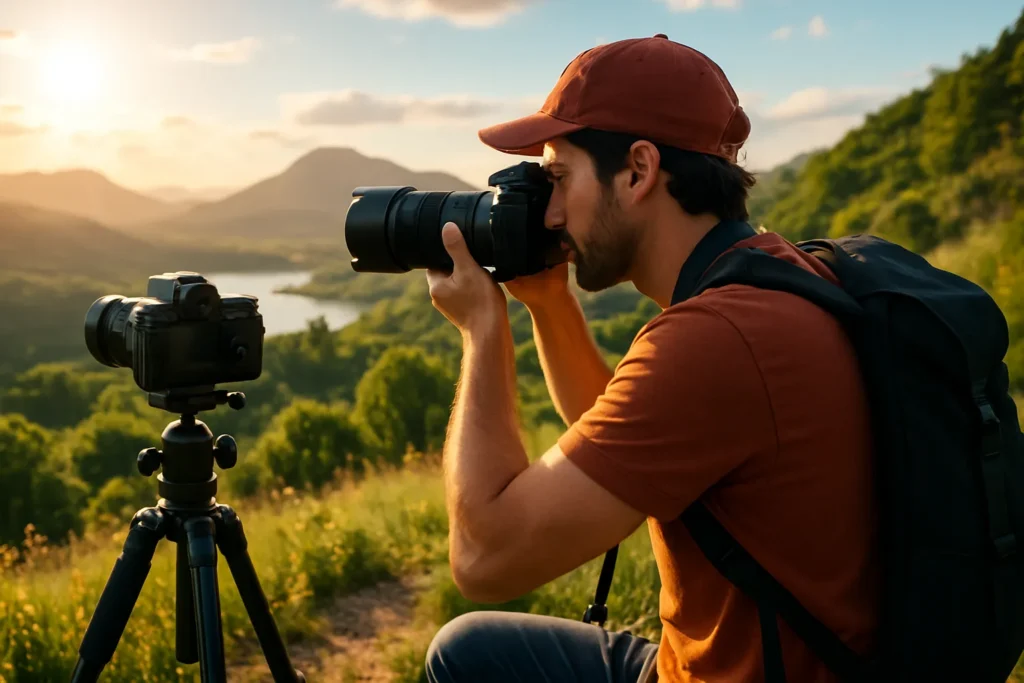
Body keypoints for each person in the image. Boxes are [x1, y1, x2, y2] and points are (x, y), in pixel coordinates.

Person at [422, 34, 879, 683]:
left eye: (558, 178)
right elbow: (621, 445)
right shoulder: (775, 278)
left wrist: (482, 331)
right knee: (467, 648)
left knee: (465, 653)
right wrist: (549, 304)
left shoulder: (717, 341)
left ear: (638, 170)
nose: (550, 213)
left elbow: (484, 556)